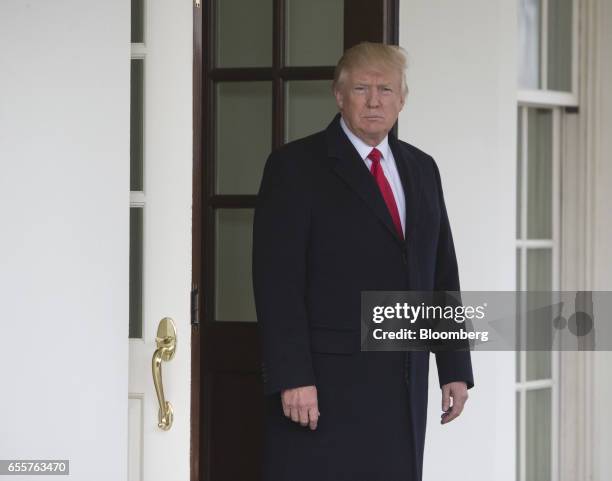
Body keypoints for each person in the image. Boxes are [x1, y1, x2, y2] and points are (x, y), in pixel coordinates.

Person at [252, 41, 474, 481]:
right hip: (324, 390)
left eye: (386, 90)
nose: (374, 101)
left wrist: (454, 366)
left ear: (402, 99)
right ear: (338, 95)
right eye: (361, 89)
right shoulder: (294, 167)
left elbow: (442, 271)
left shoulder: (422, 168)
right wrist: (293, 376)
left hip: (403, 385)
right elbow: (277, 282)